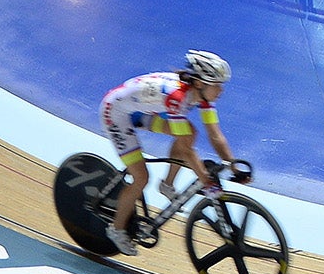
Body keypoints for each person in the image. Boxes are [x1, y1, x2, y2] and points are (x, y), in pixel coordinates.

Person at [98, 52, 241, 256]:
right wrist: (207, 182)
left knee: (190, 133)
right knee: (141, 178)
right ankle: (116, 229)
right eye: (217, 84)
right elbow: (185, 149)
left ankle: (167, 184)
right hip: (116, 113)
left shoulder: (201, 94)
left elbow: (215, 134)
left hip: (141, 111)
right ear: (200, 83)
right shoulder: (177, 98)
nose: (221, 90)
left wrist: (233, 164)